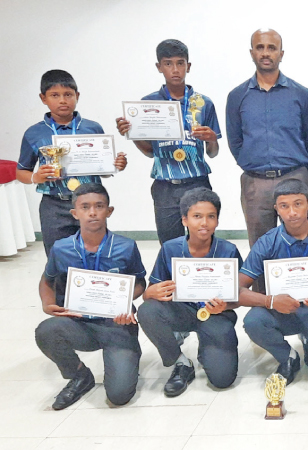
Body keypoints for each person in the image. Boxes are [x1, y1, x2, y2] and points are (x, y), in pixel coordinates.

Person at [34, 183, 145, 409]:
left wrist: (125, 302)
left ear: (109, 211)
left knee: (119, 396)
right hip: (79, 324)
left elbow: (140, 282)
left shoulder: (126, 246)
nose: (92, 212)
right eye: (85, 207)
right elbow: (47, 280)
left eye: (99, 206)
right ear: (75, 213)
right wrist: (47, 303)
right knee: (46, 330)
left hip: (117, 324)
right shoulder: (61, 248)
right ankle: (79, 376)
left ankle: (128, 356)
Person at [227, 28, 308, 276]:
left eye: (271, 48)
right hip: (255, 184)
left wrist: (299, 173)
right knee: (260, 250)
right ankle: (263, 299)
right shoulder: (237, 96)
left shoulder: (301, 94)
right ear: (251, 53)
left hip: (294, 178)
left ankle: (304, 296)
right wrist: (253, 164)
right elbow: (235, 141)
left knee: (302, 245)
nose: (266, 53)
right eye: (260, 47)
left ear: (281, 53)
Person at [238, 179, 308, 385]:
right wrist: (270, 301)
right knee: (253, 321)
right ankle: (287, 356)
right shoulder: (267, 242)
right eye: (284, 206)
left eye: (298, 204)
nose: (292, 212)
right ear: (276, 209)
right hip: (281, 311)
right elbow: (238, 289)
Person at [115, 39, 221, 244]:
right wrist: (132, 134)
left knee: (203, 241)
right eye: (168, 63)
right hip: (165, 185)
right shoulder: (147, 104)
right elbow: (149, 152)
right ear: (159, 67)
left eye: (180, 63)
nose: (175, 69)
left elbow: (212, 153)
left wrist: (212, 139)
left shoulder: (203, 103)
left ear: (188, 66)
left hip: (197, 181)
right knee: (169, 245)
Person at [138, 188, 242, 397]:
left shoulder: (228, 250)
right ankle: (180, 363)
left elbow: (240, 297)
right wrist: (151, 293)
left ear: (217, 221)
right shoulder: (170, 249)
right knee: (147, 310)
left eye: (211, 216)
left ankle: (207, 349)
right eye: (197, 216)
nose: (204, 223)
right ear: (184, 220)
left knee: (223, 380)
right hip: (181, 311)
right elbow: (149, 293)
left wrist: (226, 305)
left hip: (216, 315)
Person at [17, 70, 128, 256]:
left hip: (90, 203)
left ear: (77, 96)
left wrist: (115, 165)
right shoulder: (34, 133)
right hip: (54, 205)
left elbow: (103, 169)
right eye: (55, 95)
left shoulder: (92, 128)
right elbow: (21, 172)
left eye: (68, 94)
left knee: (95, 252)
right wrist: (36, 177)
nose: (62, 100)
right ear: (43, 98)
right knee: (57, 256)